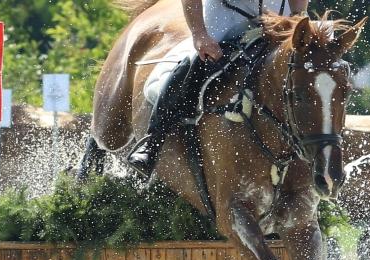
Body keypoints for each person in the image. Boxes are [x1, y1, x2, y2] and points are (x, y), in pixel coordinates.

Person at [127, 0, 309, 178]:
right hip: (226, 12)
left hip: (276, 10)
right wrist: (199, 34)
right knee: (194, 61)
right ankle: (153, 142)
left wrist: (298, 16)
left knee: (313, 65)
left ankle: (329, 151)